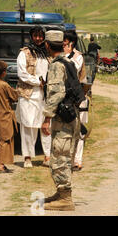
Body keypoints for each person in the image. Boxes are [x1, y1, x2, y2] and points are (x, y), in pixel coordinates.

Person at [41, 30, 81, 211]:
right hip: (70, 115)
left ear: (47, 45)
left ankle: (65, 198)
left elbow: (57, 93)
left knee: (59, 157)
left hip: (63, 119)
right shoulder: (69, 61)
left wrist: (46, 118)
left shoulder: (57, 65)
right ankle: (60, 193)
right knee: (62, 155)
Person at [15, 26, 51, 168]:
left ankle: (47, 156)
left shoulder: (48, 53)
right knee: (28, 125)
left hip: (46, 95)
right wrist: (39, 82)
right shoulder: (24, 53)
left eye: (41, 36)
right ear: (31, 36)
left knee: (47, 125)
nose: (38, 38)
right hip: (28, 95)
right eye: (35, 36)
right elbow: (22, 74)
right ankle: (27, 157)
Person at [63, 32, 88, 172]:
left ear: (71, 43)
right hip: (65, 99)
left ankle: (77, 160)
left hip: (78, 98)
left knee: (80, 131)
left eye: (65, 42)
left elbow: (73, 70)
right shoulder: (60, 56)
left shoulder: (77, 57)